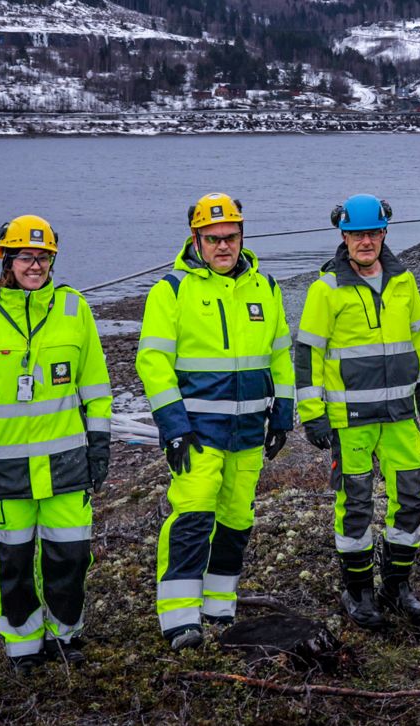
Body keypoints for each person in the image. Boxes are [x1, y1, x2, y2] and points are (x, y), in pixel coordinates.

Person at [0, 214, 112, 673]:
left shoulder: (74, 309)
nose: (35, 265)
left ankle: (66, 635)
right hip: (4, 471)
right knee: (15, 562)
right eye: (26, 257)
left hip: (66, 465)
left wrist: (99, 446)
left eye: (42, 257)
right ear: (8, 261)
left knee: (72, 557)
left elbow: (96, 387)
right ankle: (22, 645)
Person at [136, 193, 294, 651]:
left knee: (236, 518)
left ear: (242, 236)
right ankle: (180, 616)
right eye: (213, 239)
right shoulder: (173, 291)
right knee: (193, 517)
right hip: (198, 434)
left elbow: (281, 357)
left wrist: (282, 414)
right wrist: (173, 426)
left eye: (231, 237)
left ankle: (219, 603)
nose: (223, 247)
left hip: (248, 432)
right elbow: (152, 363)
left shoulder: (266, 288)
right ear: (196, 239)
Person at [294, 194, 420, 630]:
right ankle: (356, 591)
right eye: (357, 234)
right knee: (355, 508)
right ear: (344, 236)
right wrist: (313, 414)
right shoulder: (326, 289)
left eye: (373, 233)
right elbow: (307, 355)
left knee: (410, 502)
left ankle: (396, 586)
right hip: (350, 422)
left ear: (383, 234)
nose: (365, 241)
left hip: (399, 418)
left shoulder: (404, 282)